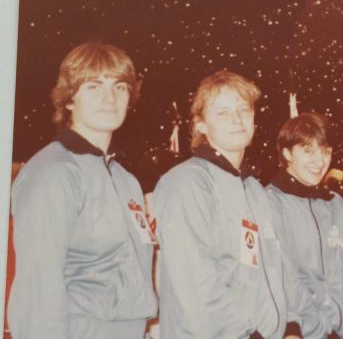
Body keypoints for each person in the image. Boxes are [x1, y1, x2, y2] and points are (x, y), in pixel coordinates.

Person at [9, 42, 157, 339]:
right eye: (93, 86)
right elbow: (38, 288)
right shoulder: (54, 172)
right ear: (69, 99)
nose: (110, 98)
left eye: (120, 87)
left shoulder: (125, 179)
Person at [152, 70, 290, 338]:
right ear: (201, 124)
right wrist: (243, 333)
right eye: (223, 113)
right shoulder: (187, 182)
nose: (237, 119)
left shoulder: (253, 189)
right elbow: (193, 282)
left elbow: (273, 272)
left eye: (243, 109)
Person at [266, 112, 343, 338]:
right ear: (287, 154)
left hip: (341, 330)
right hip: (301, 331)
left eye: (325, 151)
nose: (319, 161)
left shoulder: (335, 205)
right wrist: (310, 327)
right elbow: (285, 277)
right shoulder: (270, 203)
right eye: (308, 151)